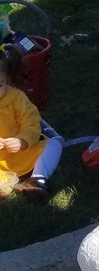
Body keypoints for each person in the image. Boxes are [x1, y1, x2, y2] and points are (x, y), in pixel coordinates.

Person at [0, 46, 62, 200]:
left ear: (7, 79)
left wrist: (23, 140)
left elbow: (32, 123)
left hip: (22, 153)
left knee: (54, 144)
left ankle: (37, 180)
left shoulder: (17, 98)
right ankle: (5, 184)